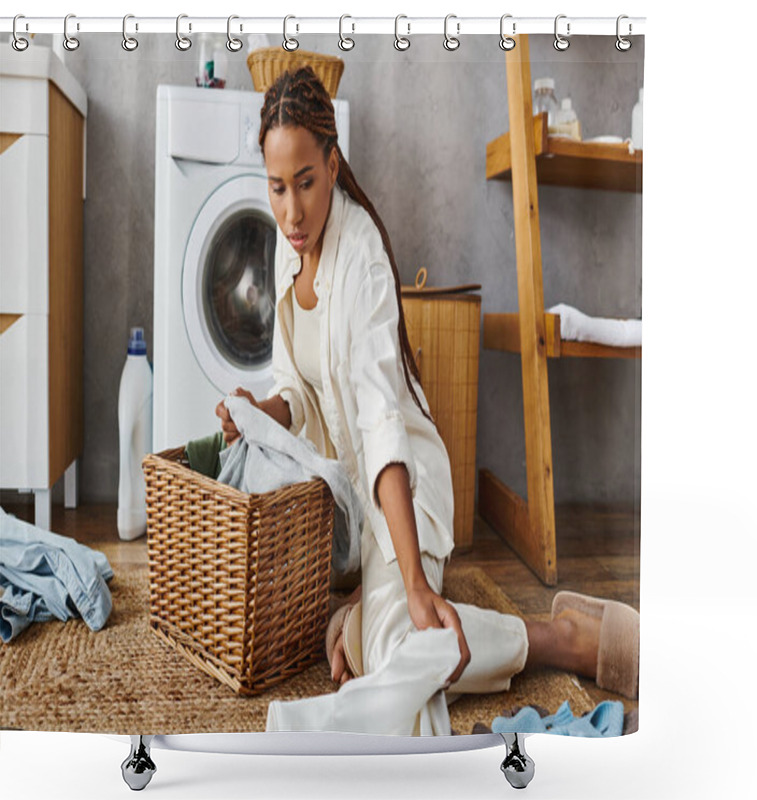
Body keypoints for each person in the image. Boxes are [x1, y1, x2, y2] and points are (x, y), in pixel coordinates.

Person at [216, 67, 639, 735]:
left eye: (305, 183)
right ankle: (356, 622)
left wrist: (413, 583)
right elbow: (296, 386)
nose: (292, 211)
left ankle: (560, 638)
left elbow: (383, 425)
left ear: (331, 164)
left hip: (404, 491)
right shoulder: (286, 247)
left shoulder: (364, 262)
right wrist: (258, 413)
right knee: (377, 643)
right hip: (350, 504)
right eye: (276, 188)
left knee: (392, 647)